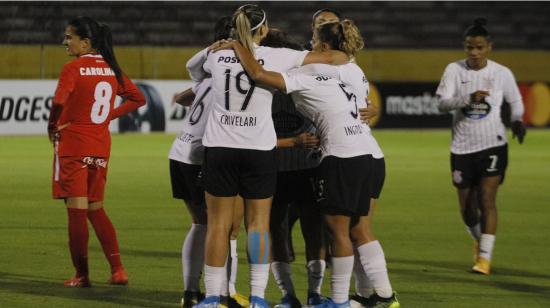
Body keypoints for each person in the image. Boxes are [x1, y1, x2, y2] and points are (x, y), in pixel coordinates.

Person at [216, 18, 392, 308]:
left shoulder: (303, 73)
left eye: (313, 37)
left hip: (331, 158)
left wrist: (238, 45)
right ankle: (374, 295)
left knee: (334, 232)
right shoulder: (345, 68)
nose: (309, 43)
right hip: (360, 154)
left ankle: (336, 298)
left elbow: (259, 74)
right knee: (352, 230)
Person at [188, 5, 348, 308]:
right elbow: (335, 58)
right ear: (263, 29)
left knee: (219, 225)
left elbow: (193, 70)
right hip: (258, 150)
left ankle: (211, 297)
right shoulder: (278, 56)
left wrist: (219, 46)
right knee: (258, 225)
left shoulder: (216, 54)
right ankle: (259, 297)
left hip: (220, 147)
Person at [47, 16, 145, 288]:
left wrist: (52, 124)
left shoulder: (73, 68)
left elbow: (58, 101)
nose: (65, 42)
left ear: (85, 42)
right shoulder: (111, 68)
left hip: (74, 145)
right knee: (95, 208)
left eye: (69, 37)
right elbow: (139, 98)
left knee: (76, 212)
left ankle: (82, 275)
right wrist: (108, 116)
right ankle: (118, 270)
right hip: (100, 146)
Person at [436, 18, 526, 275]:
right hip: (462, 148)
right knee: (467, 209)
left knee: (487, 199)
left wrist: (518, 120)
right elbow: (441, 103)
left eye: (479, 48)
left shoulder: (501, 73)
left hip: (493, 144)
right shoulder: (454, 70)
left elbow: (516, 101)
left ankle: (485, 258)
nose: (473, 53)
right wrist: (466, 99)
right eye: (469, 48)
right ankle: (478, 240)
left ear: (489, 47)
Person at [170, 16, 249, 308]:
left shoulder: (210, 75)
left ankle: (191, 293)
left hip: (179, 153)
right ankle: (225, 292)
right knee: (226, 227)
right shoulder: (237, 76)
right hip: (205, 154)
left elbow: (184, 94)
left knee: (201, 224)